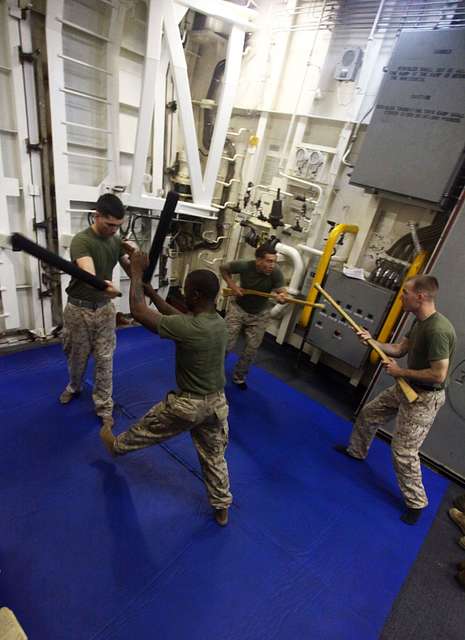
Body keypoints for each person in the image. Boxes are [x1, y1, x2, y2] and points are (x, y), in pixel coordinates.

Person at [100, 252, 232, 526]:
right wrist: (156, 296)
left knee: (147, 428)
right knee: (214, 456)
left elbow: (138, 312)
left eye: (185, 293)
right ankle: (221, 506)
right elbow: (182, 318)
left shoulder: (189, 328)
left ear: (194, 295)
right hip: (217, 404)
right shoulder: (218, 322)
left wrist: (136, 272)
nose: (182, 296)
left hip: (188, 406)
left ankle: (117, 446)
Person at [335, 275, 456, 525]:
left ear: (420, 296)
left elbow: (438, 374)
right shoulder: (419, 321)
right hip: (407, 386)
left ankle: (416, 502)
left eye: (405, 293)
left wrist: (400, 372)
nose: (402, 297)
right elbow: (400, 350)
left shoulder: (438, 330)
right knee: (370, 413)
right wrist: (372, 342)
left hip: (424, 398)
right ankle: (357, 451)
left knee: (403, 450)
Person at [59, 193, 131, 429]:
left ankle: (104, 406)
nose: (113, 230)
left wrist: (138, 260)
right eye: (109, 224)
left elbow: (130, 267)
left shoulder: (115, 240)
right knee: (76, 357)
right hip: (79, 310)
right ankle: (74, 386)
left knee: (105, 359)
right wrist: (104, 286)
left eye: (117, 226)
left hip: (104, 310)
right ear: (96, 216)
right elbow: (89, 274)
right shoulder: (82, 240)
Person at [220, 245, 287, 390]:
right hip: (238, 308)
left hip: (260, 314)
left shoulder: (275, 273)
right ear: (258, 260)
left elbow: (282, 291)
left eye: (274, 261)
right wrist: (232, 286)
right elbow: (223, 268)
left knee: (252, 349)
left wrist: (282, 296)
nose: (272, 265)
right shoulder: (244, 265)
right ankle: (214, 372)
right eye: (269, 261)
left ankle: (239, 376)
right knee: (226, 344)